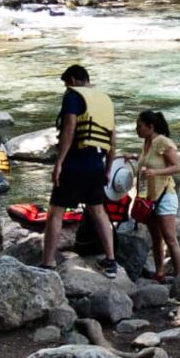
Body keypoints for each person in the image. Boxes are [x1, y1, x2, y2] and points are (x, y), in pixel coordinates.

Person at [42, 64, 119, 277]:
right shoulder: (105, 100)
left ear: (73, 80)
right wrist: (108, 168)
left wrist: (59, 162)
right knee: (98, 211)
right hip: (96, 163)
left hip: (75, 162)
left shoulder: (73, 97)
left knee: (56, 212)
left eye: (67, 84)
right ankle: (110, 261)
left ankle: (47, 264)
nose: (67, 88)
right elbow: (113, 139)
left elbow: (69, 129)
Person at [135, 110, 180, 283]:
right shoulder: (147, 142)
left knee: (170, 239)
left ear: (150, 126)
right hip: (149, 198)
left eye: (139, 126)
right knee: (156, 239)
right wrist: (133, 158)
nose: (136, 129)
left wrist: (156, 172)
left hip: (165, 196)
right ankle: (160, 272)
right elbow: (148, 162)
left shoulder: (162, 141)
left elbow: (177, 167)